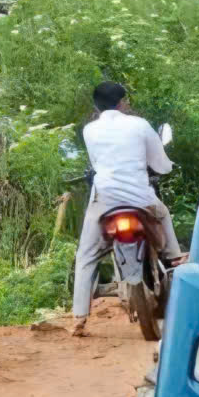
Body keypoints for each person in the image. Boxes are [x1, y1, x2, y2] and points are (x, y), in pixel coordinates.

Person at [71, 81, 184, 335]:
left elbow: (96, 163)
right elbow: (161, 164)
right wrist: (163, 167)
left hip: (105, 200)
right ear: (122, 103)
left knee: (86, 255)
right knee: (163, 213)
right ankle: (173, 255)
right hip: (140, 199)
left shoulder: (89, 130)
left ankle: (78, 317)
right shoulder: (140, 125)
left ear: (95, 106)